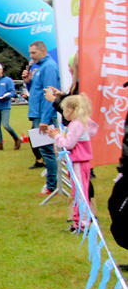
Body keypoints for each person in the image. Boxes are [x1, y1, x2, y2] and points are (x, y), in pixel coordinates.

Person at [49, 94, 98, 232]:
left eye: (64, 110)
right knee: (77, 192)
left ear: (71, 110)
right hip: (77, 162)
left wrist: (57, 136)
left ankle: (83, 225)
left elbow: (69, 144)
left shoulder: (77, 124)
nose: (63, 113)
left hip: (79, 162)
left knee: (80, 194)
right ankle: (78, 223)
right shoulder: (77, 123)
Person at [23, 41, 61, 194]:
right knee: (44, 149)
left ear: (43, 50)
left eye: (33, 53)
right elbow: (37, 91)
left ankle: (52, 185)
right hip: (37, 114)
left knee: (47, 151)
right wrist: (29, 82)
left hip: (43, 115)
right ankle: (52, 183)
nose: (31, 56)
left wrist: (45, 119)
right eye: (30, 53)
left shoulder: (49, 67)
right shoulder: (40, 67)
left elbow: (49, 95)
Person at [0, 62, 21, 150]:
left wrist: (6, 96)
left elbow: (13, 92)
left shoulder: (8, 80)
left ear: (1, 70)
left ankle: (16, 138)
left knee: (5, 125)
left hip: (5, 105)